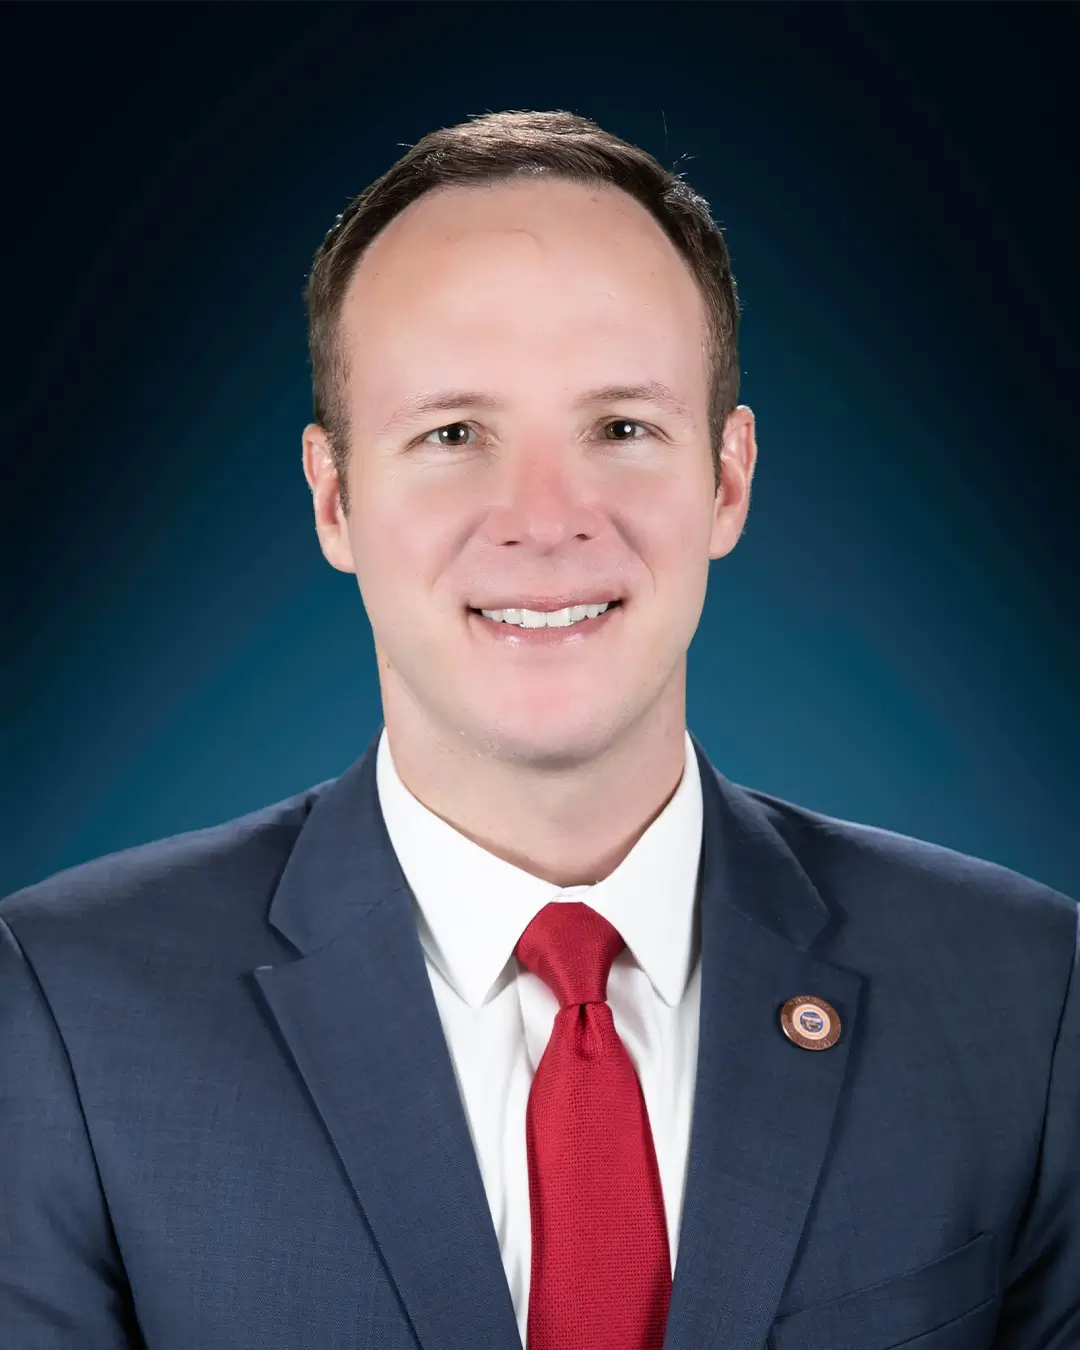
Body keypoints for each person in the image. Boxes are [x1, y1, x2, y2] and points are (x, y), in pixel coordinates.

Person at [1, 109, 1076, 1350]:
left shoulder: (1028, 995)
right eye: (454, 434)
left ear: (727, 477)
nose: (546, 519)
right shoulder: (69, 1011)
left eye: (621, 428)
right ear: (335, 496)